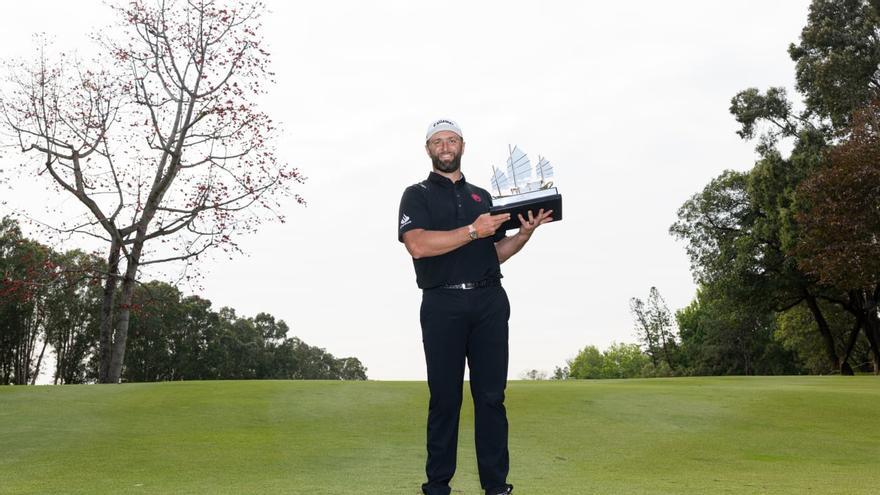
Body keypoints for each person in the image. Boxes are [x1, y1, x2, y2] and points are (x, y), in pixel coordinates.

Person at [398, 118, 553, 495]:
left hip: (489, 301)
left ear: (463, 146)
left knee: (490, 397)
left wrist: (523, 235)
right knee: (445, 397)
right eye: (438, 141)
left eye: (452, 140)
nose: (446, 147)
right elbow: (417, 245)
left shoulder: (484, 198)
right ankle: (437, 486)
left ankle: (496, 486)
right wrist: (472, 230)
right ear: (429, 149)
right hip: (442, 302)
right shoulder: (416, 194)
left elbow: (493, 253)